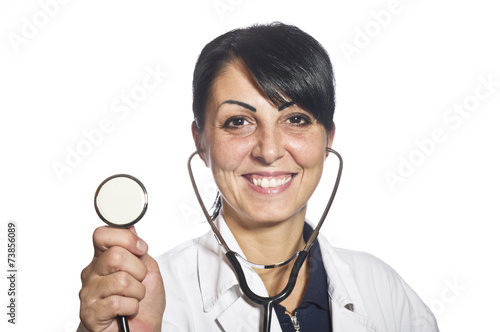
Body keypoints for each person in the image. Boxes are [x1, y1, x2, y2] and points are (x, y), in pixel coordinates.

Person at [78, 22, 439, 332]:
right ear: (201, 142)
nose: (268, 150)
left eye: (295, 119)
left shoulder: (383, 290)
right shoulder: (146, 300)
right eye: (239, 122)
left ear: (328, 139)